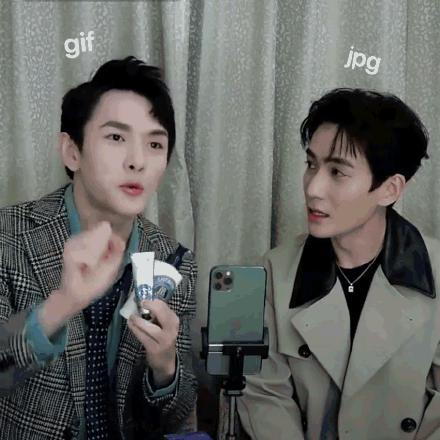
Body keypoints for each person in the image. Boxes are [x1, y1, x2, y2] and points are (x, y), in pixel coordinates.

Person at [0, 56, 197, 440]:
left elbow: (174, 420)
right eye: (116, 137)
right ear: (72, 152)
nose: (137, 161)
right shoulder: (8, 236)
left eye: (154, 144)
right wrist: (61, 305)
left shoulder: (172, 260)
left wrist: (164, 367)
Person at [237, 88, 440, 439]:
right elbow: (264, 396)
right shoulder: (272, 273)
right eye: (311, 164)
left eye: (337, 172)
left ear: (390, 189)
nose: (313, 188)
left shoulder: (436, 271)